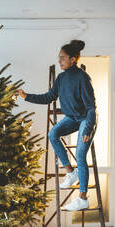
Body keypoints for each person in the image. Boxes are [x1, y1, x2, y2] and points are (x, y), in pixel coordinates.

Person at [16, 40, 97, 211]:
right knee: (53, 134)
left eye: (62, 58)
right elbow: (48, 97)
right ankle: (70, 172)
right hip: (72, 118)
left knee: (80, 154)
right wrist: (26, 96)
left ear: (73, 59)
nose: (59, 61)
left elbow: (91, 108)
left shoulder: (82, 78)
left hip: (86, 119)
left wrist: (88, 128)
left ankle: (82, 198)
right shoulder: (61, 78)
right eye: (59, 58)